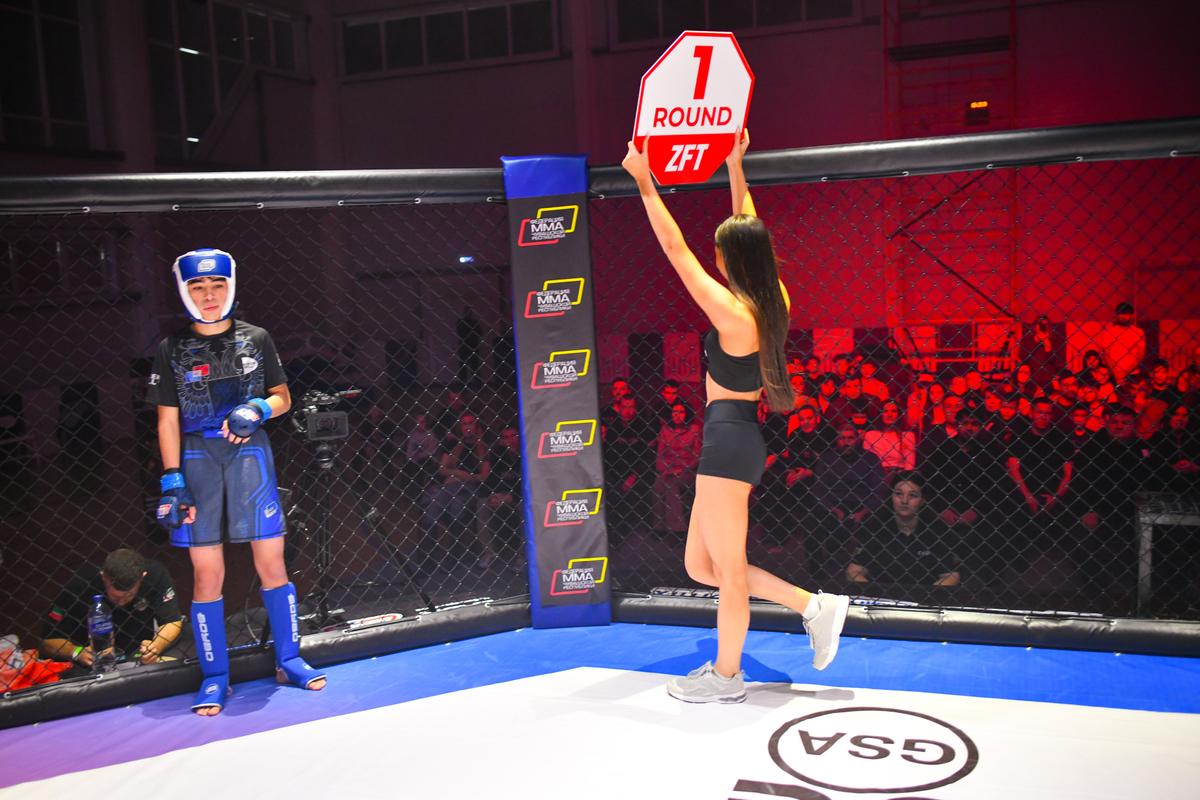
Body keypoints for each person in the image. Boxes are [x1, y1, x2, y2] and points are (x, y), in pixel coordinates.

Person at [623, 130, 849, 704]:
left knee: (727, 571)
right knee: (701, 566)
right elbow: (748, 224)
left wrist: (645, 181)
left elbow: (676, 250)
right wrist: (734, 165)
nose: (714, 256)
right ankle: (813, 605)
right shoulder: (775, 298)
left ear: (730, 259)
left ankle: (726, 678)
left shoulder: (733, 312)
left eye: (720, 250)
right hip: (732, 436)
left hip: (727, 439)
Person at [148, 248, 325, 716]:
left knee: (272, 561)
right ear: (184, 291)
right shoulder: (171, 348)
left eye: (217, 285)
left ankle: (289, 660)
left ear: (230, 286)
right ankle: (215, 676)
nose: (209, 296)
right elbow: (167, 419)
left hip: (250, 456)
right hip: (195, 457)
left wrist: (258, 408)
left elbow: (283, 397)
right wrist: (171, 478)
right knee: (207, 572)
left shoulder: (257, 338)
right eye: (198, 287)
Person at [41, 548, 183, 669]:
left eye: (128, 596)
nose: (121, 602)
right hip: (91, 663)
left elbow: (172, 621)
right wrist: (76, 652)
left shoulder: (155, 574)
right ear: (103, 576)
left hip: (137, 654)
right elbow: (47, 642)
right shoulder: (79, 584)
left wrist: (154, 648)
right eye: (115, 597)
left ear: (142, 577)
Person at [846, 472, 961, 589]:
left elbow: (951, 576)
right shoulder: (875, 527)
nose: (904, 500)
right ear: (891, 497)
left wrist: (925, 595)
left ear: (922, 500)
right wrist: (874, 593)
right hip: (881, 595)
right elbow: (853, 571)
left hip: (924, 595)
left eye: (912, 495)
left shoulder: (937, 530)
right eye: (899, 494)